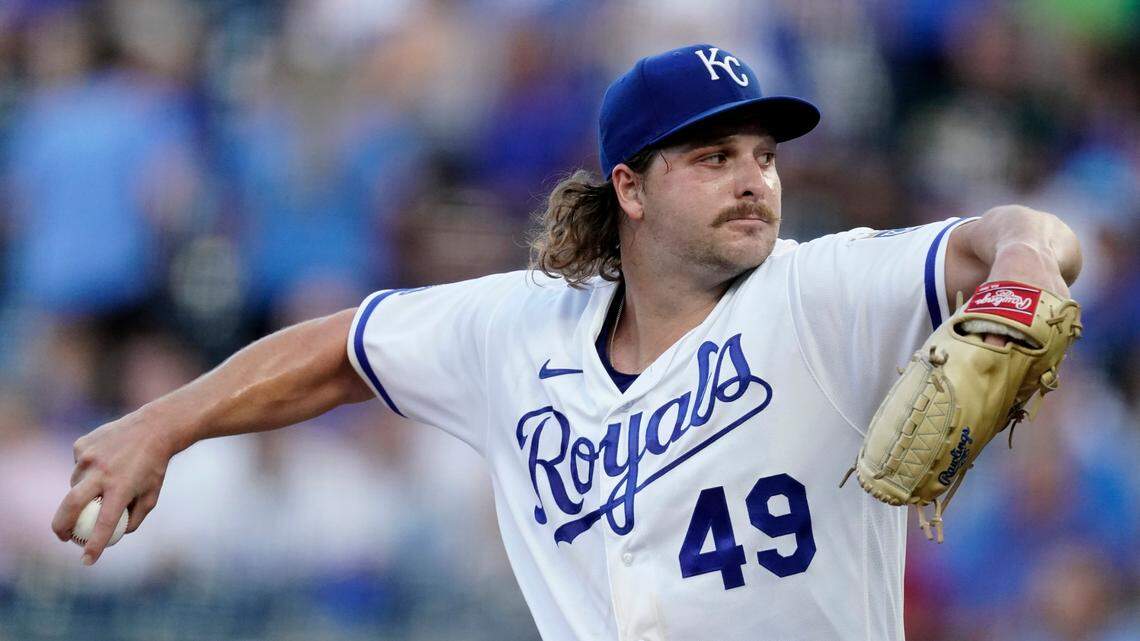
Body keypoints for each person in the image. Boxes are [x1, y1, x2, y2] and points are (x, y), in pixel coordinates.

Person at [53, 44, 1081, 641]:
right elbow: (341, 347)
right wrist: (164, 421)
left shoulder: (825, 291)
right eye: (713, 154)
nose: (753, 178)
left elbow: (1017, 234)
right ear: (628, 186)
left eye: (764, 156)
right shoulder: (519, 327)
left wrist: (1027, 265)